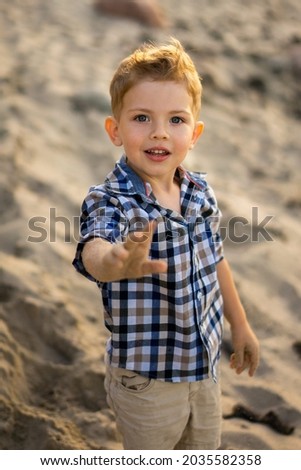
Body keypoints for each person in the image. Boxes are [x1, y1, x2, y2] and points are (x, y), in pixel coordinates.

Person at [73, 38, 260, 450]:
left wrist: (240, 324)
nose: (159, 131)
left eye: (176, 120)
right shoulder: (109, 200)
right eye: (142, 117)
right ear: (115, 130)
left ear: (194, 134)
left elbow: (216, 262)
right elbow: (94, 249)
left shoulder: (199, 192)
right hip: (147, 380)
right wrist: (116, 262)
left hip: (204, 366)